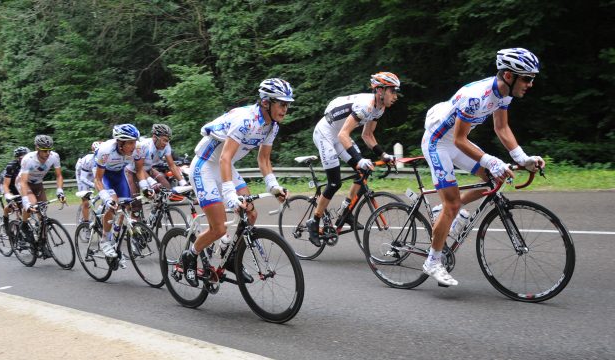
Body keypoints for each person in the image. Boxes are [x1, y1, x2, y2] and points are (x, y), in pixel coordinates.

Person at [420, 48, 545, 286]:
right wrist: (491, 160)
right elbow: (458, 140)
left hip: (457, 141)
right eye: (527, 78)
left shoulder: (504, 94)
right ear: (509, 75)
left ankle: (445, 213)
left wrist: (522, 158)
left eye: (532, 79)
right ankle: (433, 261)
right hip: (438, 143)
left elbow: (502, 128)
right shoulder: (477, 96)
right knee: (452, 203)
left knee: (493, 179)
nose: (530, 84)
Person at [182, 78, 293, 287]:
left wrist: (273, 186)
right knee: (219, 228)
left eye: (287, 104)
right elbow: (224, 157)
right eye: (281, 103)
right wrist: (230, 195)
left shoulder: (272, 126)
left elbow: (264, 159)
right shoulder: (246, 120)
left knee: (250, 213)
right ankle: (190, 255)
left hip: (225, 166)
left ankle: (231, 255)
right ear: (266, 103)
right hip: (205, 166)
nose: (285, 109)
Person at [306, 72, 400, 246]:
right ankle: (314, 221)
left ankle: (346, 211)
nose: (395, 96)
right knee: (335, 182)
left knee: (363, 170)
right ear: (380, 90)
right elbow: (343, 134)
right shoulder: (366, 106)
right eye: (392, 91)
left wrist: (383, 154)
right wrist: (359, 159)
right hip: (325, 133)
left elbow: (368, 135)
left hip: (340, 134)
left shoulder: (380, 108)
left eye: (396, 92)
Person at [94, 124, 149, 258]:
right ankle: (105, 241)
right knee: (113, 204)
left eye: (134, 142)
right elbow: (97, 180)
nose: (133, 146)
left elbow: (140, 170)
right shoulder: (105, 151)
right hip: (104, 175)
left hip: (119, 174)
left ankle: (116, 236)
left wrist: (145, 187)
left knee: (126, 206)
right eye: (130, 143)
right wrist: (106, 198)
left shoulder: (138, 148)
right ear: (120, 143)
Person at [16, 135, 67, 245]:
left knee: (43, 212)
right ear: (37, 149)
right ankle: (24, 224)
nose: (47, 153)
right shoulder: (28, 159)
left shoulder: (54, 157)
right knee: (32, 203)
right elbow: (23, 182)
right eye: (44, 150)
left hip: (38, 183)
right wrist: (25, 202)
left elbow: (59, 176)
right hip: (24, 182)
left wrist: (60, 191)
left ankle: (42, 242)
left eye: (49, 150)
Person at [124, 124, 187, 199]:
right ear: (154, 137)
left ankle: (159, 208)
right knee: (136, 203)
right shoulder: (144, 146)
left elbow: (172, 165)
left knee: (167, 189)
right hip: (132, 171)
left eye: (167, 140)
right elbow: (139, 168)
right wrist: (151, 182)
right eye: (164, 140)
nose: (166, 143)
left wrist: (183, 183)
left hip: (148, 169)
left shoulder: (166, 146)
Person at [0, 146, 30, 231]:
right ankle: (6, 223)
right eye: (22, 158)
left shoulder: (30, 165)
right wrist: (9, 196)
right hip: (6, 184)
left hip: (17, 184)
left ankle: (19, 224)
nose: (24, 160)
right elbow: (5, 185)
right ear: (18, 158)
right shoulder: (11, 166)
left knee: (25, 206)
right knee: (12, 205)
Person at [75, 141, 102, 222]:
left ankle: (98, 211)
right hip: (82, 173)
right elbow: (83, 179)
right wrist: (95, 186)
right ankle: (86, 223)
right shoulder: (89, 160)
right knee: (86, 200)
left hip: (92, 172)